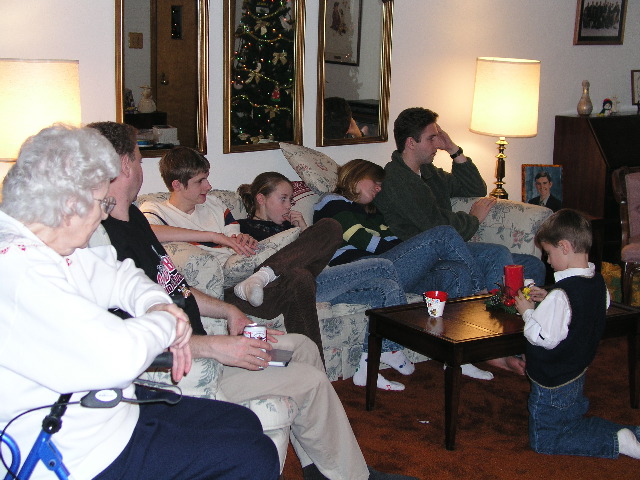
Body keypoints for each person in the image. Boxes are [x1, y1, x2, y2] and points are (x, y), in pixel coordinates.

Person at [87, 121, 418, 480]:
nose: (140, 167)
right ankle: (353, 478)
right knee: (312, 380)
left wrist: (229, 310)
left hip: (212, 342)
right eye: (138, 159)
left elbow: (178, 288)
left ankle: (321, 467)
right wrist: (217, 346)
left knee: (303, 347)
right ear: (124, 165)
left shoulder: (134, 218)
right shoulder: (100, 243)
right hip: (189, 370)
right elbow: (128, 340)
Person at [0, 124, 280, 480]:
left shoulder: (46, 243)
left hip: (111, 412)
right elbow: (119, 356)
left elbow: (119, 274)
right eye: (101, 203)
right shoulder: (20, 275)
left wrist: (158, 305)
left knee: (242, 422)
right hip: (81, 453)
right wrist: (169, 322)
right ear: (71, 203)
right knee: (251, 455)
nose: (104, 215)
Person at [314, 159, 516, 379]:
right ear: (357, 176)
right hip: (362, 272)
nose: (379, 188)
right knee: (443, 234)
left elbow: (392, 241)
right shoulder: (331, 201)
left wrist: (417, 254)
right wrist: (418, 250)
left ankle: (457, 354)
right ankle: (480, 293)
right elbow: (364, 240)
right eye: (375, 182)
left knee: (457, 271)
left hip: (394, 267)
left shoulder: (373, 211)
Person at [139, 146, 343, 357]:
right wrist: (212, 236)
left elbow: (235, 242)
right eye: (200, 181)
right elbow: (147, 232)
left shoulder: (216, 205)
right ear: (177, 185)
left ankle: (312, 369)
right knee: (301, 275)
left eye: (207, 178)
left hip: (252, 281)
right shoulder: (154, 209)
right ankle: (263, 278)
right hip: (225, 294)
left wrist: (242, 239)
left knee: (327, 233)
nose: (208, 186)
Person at [237, 171, 416, 391]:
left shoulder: (292, 226)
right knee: (382, 265)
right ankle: (390, 348)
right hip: (294, 286)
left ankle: (367, 367)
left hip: (321, 279)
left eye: (290, 200)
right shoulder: (242, 228)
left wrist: (304, 230)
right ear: (261, 199)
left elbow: (319, 259)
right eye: (282, 199)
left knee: (386, 288)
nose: (288, 206)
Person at [514, 209, 640, 459]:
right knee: (572, 420)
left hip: (553, 382)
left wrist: (528, 312)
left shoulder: (562, 294)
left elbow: (542, 338)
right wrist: (550, 299)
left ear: (564, 247)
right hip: (577, 371)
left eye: (548, 253)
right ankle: (633, 432)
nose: (547, 261)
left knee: (546, 440)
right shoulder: (597, 281)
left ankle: (616, 442)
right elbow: (590, 308)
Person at [373, 106, 547, 289]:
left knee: (532, 265)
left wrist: (453, 149)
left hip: (446, 250)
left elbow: (475, 188)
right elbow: (435, 225)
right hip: (422, 258)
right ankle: (493, 313)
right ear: (411, 143)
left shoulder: (428, 173)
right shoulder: (395, 179)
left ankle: (523, 315)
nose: (437, 144)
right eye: (431, 138)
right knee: (497, 254)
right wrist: (474, 219)